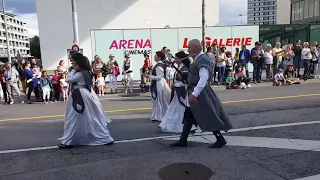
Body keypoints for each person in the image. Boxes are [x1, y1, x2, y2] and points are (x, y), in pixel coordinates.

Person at [170, 39, 232, 148]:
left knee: (208, 115)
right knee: (189, 115)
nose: (188, 50)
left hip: (200, 92)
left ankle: (220, 139)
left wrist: (195, 94)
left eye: (189, 47)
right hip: (194, 90)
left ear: (196, 47)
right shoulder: (197, 58)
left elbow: (204, 78)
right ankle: (183, 140)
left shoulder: (202, 59)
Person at [58, 53, 114, 149]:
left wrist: (74, 70)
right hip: (83, 94)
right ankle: (104, 137)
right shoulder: (85, 72)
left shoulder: (80, 73)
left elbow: (68, 80)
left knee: (74, 117)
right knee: (88, 117)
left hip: (80, 95)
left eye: (74, 61)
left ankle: (70, 141)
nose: (72, 63)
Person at [159, 51, 197, 133]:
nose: (175, 60)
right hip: (178, 93)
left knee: (180, 110)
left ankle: (183, 126)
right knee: (175, 109)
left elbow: (186, 82)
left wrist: (176, 84)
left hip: (182, 93)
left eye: (176, 58)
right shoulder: (181, 67)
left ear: (181, 58)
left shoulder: (185, 68)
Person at [144, 51, 171, 122]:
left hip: (159, 84)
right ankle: (159, 115)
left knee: (159, 100)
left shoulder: (159, 66)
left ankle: (160, 116)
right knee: (160, 101)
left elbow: (159, 77)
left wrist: (148, 76)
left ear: (159, 57)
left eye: (155, 56)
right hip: (160, 83)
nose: (154, 57)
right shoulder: (161, 65)